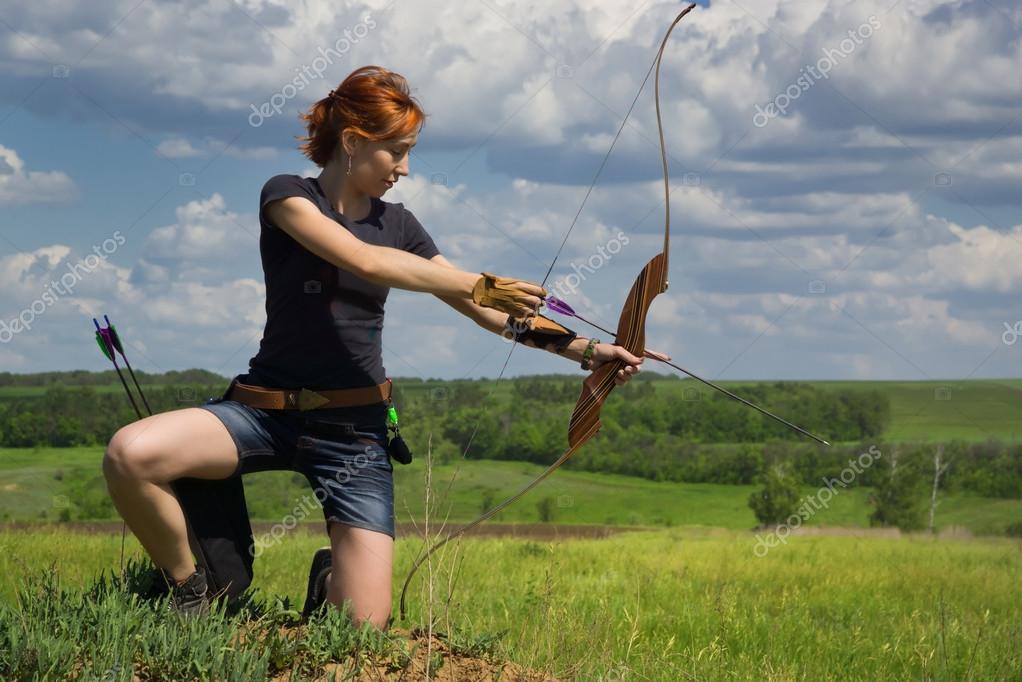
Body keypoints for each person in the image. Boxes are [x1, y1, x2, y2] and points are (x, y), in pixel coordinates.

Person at [102, 65, 646, 628]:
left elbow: (486, 312)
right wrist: (477, 281)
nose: (404, 168)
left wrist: (585, 350)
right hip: (261, 411)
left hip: (355, 430)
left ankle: (328, 576)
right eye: (396, 152)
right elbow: (361, 258)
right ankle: (190, 588)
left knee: (362, 624)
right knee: (130, 454)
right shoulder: (287, 196)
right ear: (354, 142)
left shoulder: (401, 224)